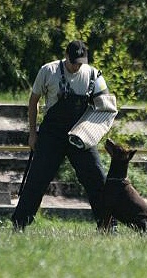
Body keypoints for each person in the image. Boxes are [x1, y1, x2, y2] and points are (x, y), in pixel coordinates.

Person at [11, 40, 114, 230]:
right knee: (37, 179)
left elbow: (106, 105)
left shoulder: (93, 73)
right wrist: (32, 134)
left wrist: (96, 131)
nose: (77, 66)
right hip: (52, 135)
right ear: (66, 56)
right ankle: (19, 225)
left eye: (80, 62)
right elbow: (33, 101)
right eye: (74, 62)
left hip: (81, 134)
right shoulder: (48, 71)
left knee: (97, 178)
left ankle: (108, 225)